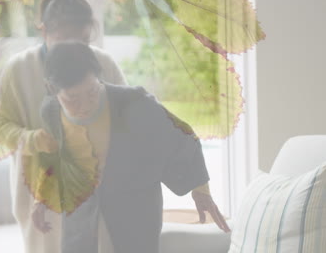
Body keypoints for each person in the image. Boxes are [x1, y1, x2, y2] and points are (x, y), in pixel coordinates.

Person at [39, 42, 231, 253]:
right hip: (81, 215)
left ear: (98, 77)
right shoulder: (50, 112)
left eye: (92, 92)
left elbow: (181, 136)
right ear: (51, 89)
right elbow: (55, 160)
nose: (85, 106)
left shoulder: (134, 103)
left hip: (134, 212)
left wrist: (200, 190)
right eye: (73, 99)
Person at [0, 0, 127, 253]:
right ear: (43, 31)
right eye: (65, 41)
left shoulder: (104, 64)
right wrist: (33, 139)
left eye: (84, 40)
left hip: (99, 191)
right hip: (40, 196)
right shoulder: (19, 69)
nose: (75, 50)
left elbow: (128, 120)